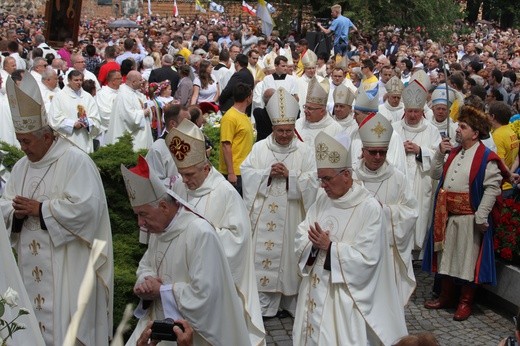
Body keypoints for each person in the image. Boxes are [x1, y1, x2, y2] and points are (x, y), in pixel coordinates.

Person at [1, 73, 113, 345]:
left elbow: (89, 209)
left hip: (69, 267)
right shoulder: (20, 168)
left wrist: (41, 209)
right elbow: (5, 202)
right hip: (31, 266)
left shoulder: (76, 161)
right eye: (19, 140)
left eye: (27, 141)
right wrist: (13, 212)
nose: (22, 147)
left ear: (47, 136)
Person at [293, 130, 407, 345]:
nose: (323, 185)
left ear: (346, 175)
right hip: (313, 289)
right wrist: (313, 245)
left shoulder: (369, 208)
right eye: (320, 179)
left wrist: (331, 248)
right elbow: (302, 233)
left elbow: (369, 259)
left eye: (327, 179)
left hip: (344, 298)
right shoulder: (322, 199)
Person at [121, 157, 250, 346]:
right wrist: (145, 282)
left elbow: (206, 295)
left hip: (195, 334)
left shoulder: (200, 233)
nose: (140, 223)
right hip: (159, 328)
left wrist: (162, 291)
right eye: (137, 215)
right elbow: (146, 265)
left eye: (143, 214)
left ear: (164, 207)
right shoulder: (159, 229)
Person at [169, 119, 265, 345]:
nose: (185, 180)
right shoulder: (179, 188)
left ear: (205, 167)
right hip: (185, 281)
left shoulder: (225, 193)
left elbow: (238, 240)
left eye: (190, 174)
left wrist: (205, 237)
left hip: (215, 286)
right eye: (181, 174)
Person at [422, 106, 510, 321]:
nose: (458, 130)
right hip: (448, 215)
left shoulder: (486, 157)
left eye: (463, 127)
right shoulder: (452, 152)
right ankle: (445, 296)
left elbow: (492, 187)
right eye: (459, 126)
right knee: (447, 257)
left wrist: (481, 215)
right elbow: (435, 174)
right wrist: (439, 153)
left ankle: (465, 302)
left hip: (470, 217)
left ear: (475, 132)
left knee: (468, 260)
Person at [241, 87, 319, 318]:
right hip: (265, 214)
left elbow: (314, 180)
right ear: (272, 128)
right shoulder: (259, 149)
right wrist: (265, 173)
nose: (285, 135)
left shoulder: (304, 151)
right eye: (280, 130)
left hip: (293, 215)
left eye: (289, 130)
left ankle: (289, 302)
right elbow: (246, 172)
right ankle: (265, 304)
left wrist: (290, 177)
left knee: (289, 258)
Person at [355, 112, 418, 307]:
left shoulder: (398, 178)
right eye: (373, 152)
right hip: (358, 249)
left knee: (386, 303)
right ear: (362, 151)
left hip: (388, 251)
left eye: (382, 152)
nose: (377, 157)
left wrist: (385, 211)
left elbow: (411, 211)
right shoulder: (352, 179)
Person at [393, 79, 441, 251]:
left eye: (416, 111)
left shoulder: (432, 130)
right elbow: (386, 153)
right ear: (404, 110)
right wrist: (400, 149)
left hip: (421, 180)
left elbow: (438, 156)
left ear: (423, 111)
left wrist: (420, 151)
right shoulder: (394, 128)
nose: (412, 115)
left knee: (420, 214)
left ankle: (417, 249)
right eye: (409, 111)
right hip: (400, 181)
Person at [48, 70, 101, 153]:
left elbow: (95, 117)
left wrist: (86, 122)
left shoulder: (87, 97)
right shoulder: (59, 96)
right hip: (68, 139)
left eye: (80, 80)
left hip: (84, 138)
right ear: (69, 80)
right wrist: (73, 124)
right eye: (76, 80)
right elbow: (54, 119)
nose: (79, 82)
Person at [218, 83, 255, 196]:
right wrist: (231, 172)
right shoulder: (230, 117)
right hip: (235, 171)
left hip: (244, 168)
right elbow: (226, 145)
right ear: (248, 98)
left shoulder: (243, 115)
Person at [106, 70, 153, 151]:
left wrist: (148, 111)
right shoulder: (124, 95)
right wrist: (143, 113)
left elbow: (145, 106)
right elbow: (129, 117)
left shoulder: (136, 93)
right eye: (140, 80)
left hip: (143, 135)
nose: (142, 82)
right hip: (133, 138)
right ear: (134, 82)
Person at [295, 76, 343, 146]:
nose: (305, 111)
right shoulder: (298, 124)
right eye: (305, 107)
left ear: (322, 111)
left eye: (310, 108)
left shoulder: (336, 129)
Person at [489, 101, 519, 198]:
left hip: (500, 186)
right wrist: (511, 173)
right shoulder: (512, 131)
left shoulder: (497, 135)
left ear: (493, 116)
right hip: (509, 183)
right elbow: (516, 158)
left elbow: (500, 163)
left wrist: (509, 175)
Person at [95, 69, 122, 147]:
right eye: (119, 78)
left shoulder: (122, 91)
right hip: (108, 131)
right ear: (113, 81)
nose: (122, 80)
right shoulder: (102, 94)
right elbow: (105, 114)